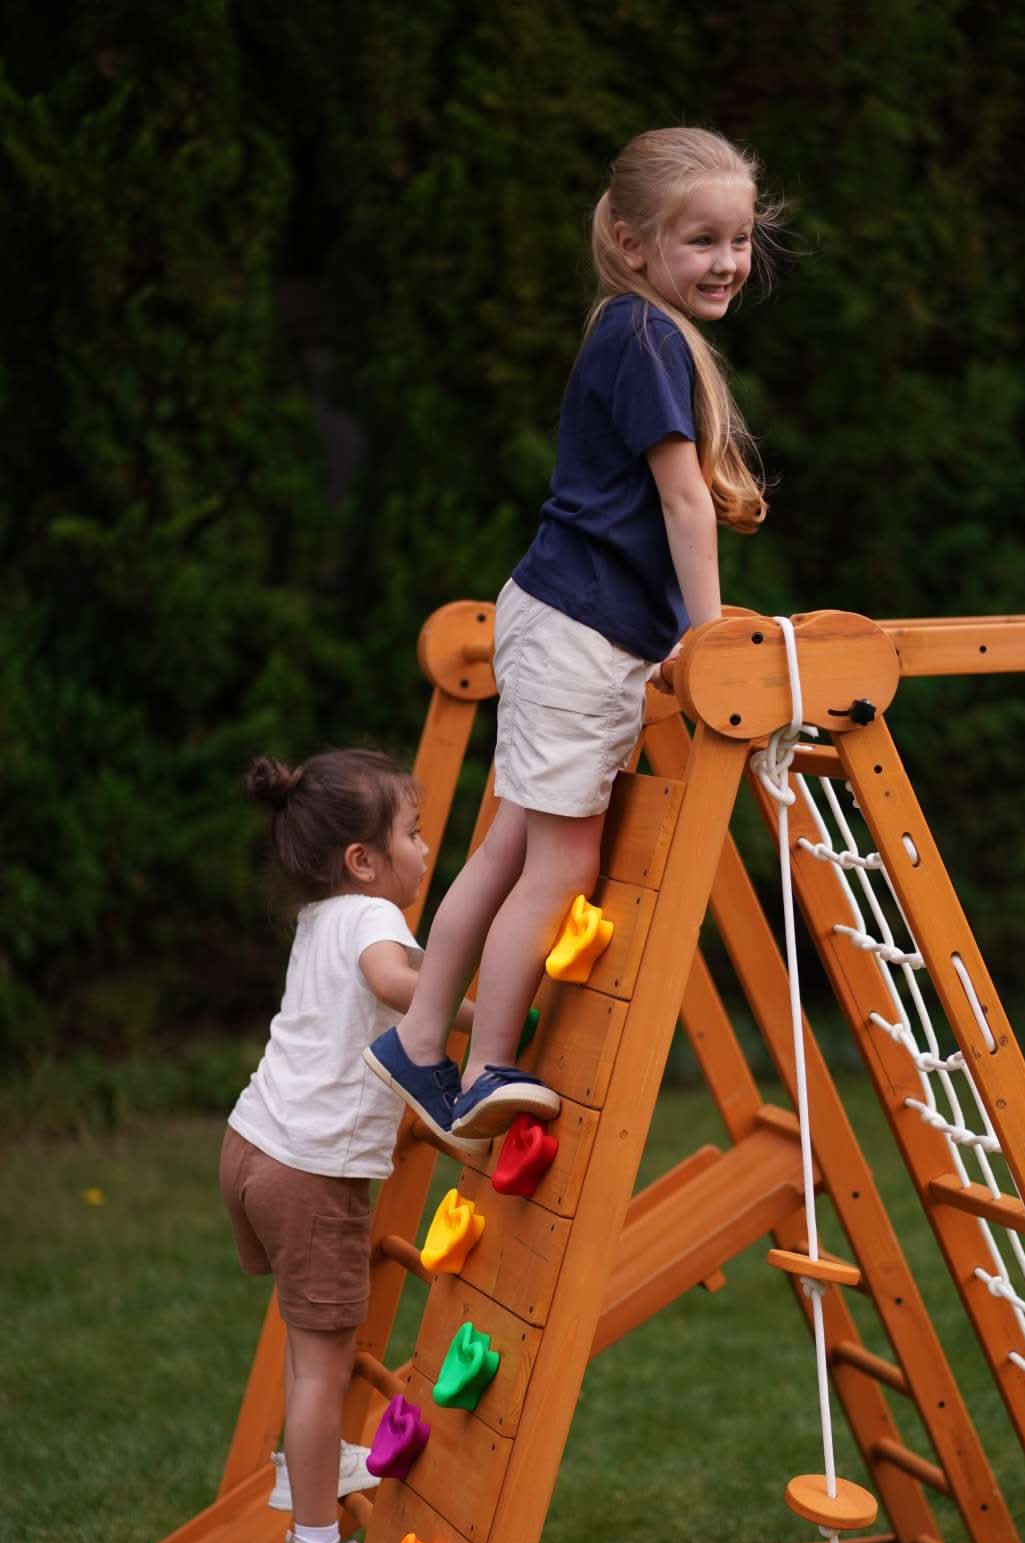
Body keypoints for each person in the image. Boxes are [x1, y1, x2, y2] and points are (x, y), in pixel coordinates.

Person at [366, 126, 773, 1148]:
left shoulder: (642, 333)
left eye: (739, 238)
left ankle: (420, 1039)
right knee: (561, 862)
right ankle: (484, 1064)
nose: (727, 260)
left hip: (564, 622)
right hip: (582, 632)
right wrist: (708, 631)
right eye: (702, 242)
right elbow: (682, 500)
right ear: (635, 245)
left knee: (509, 845)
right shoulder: (642, 337)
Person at [221, 748, 477, 1543]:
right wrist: (480, 1009)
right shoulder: (374, 917)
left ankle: (310, 1465)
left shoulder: (321, 915)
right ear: (363, 860)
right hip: (311, 1171)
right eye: (411, 832)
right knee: (325, 1366)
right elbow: (396, 984)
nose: (426, 845)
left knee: (309, 1349)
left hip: (252, 1147)